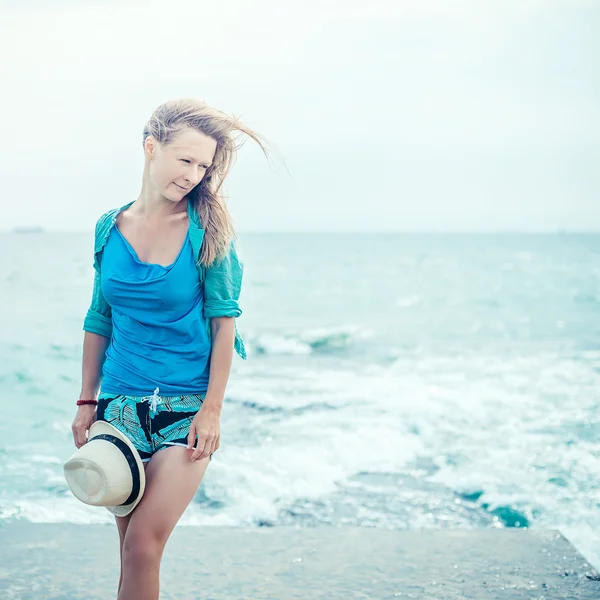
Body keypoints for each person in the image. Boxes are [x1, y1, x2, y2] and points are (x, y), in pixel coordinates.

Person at [70, 98, 271, 600]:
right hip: (118, 406)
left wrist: (213, 411)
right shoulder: (108, 228)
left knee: (144, 543)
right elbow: (100, 318)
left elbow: (224, 327)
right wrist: (86, 401)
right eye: (186, 160)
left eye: (204, 166)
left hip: (186, 409)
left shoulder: (210, 233)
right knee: (130, 553)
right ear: (150, 147)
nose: (194, 174)